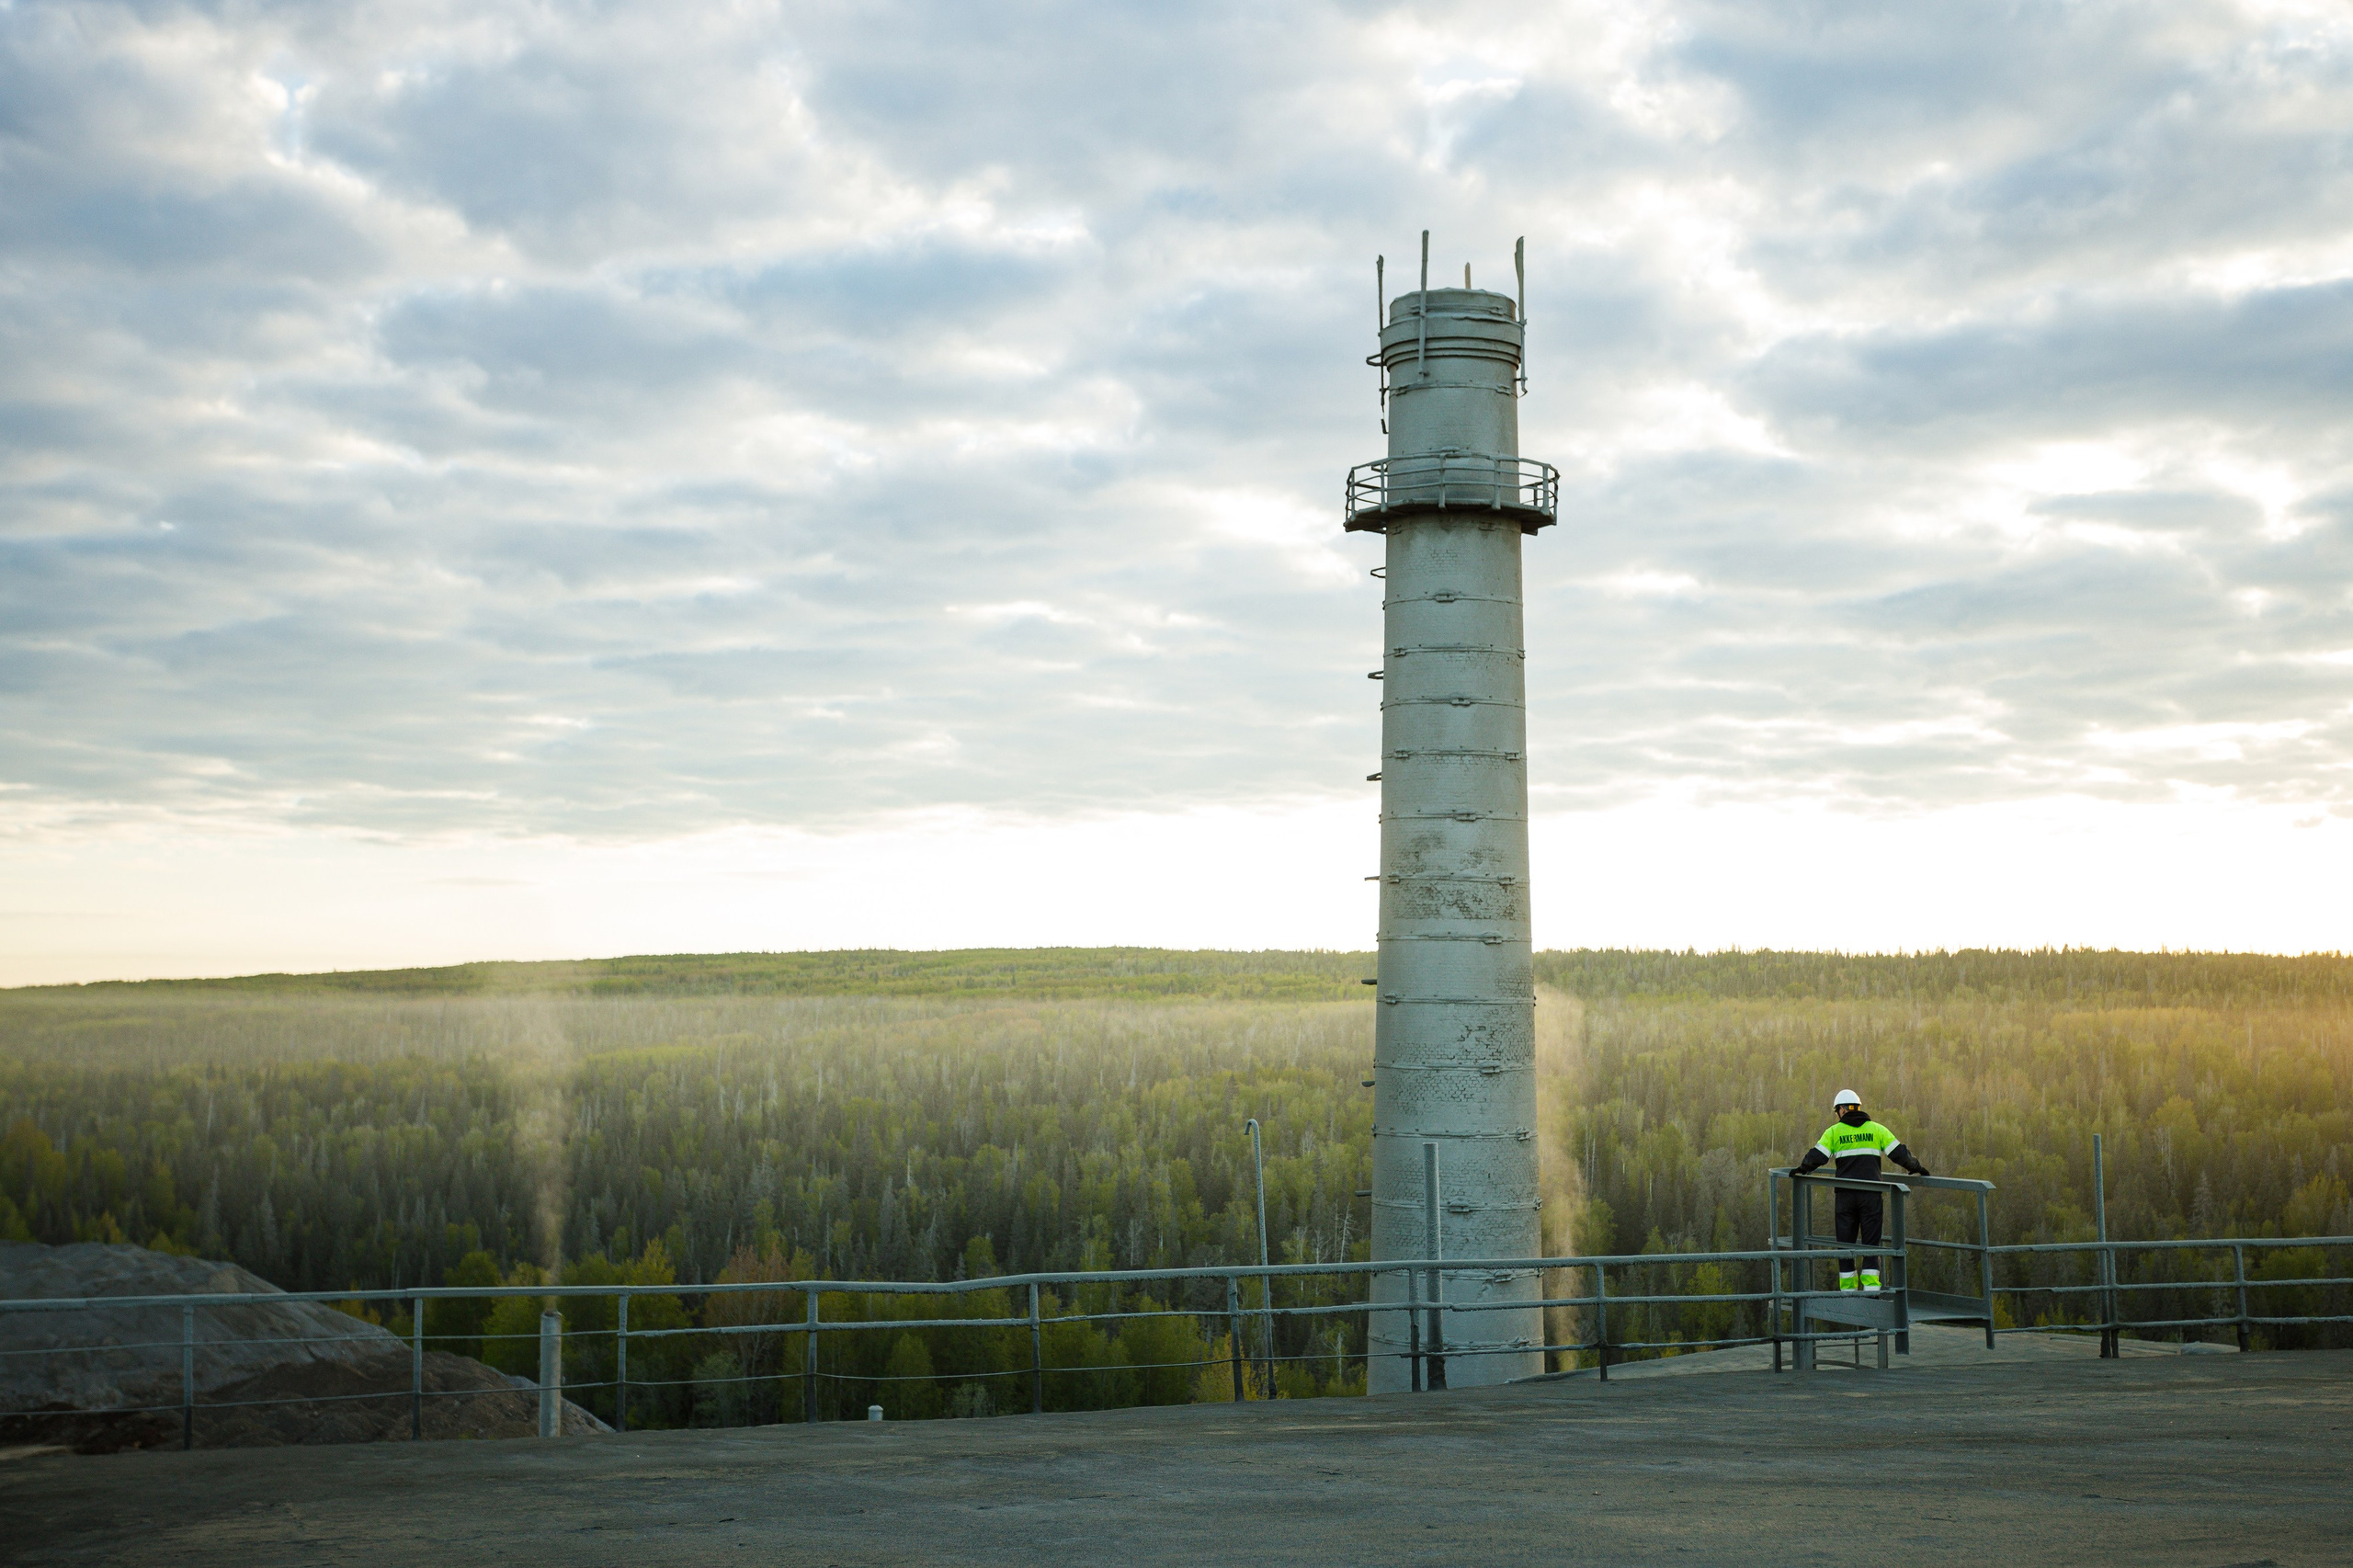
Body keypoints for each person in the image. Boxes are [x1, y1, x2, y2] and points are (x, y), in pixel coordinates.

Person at [1792, 1089, 1930, 1292]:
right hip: (1871, 1196)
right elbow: (1899, 1153)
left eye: (1836, 1111)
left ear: (1842, 1110)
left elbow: (1817, 1157)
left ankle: (1848, 1292)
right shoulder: (1877, 1130)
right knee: (1871, 1244)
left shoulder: (1834, 1132)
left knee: (1845, 1245)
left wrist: (1801, 1169)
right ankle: (1871, 1291)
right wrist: (1917, 1168)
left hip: (1845, 1197)